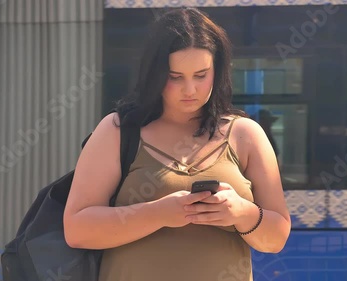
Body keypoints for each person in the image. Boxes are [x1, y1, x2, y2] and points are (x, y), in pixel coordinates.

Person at [63, 8, 290, 281]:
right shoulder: (117, 131)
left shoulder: (246, 134)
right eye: (175, 77)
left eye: (201, 74)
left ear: (218, 71)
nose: (190, 89)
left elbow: (275, 240)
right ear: (155, 73)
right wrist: (158, 213)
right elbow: (76, 231)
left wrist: (241, 212)